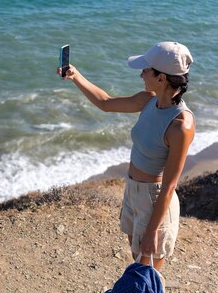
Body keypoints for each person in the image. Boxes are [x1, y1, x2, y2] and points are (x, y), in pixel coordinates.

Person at [59, 42, 195, 271]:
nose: (141, 74)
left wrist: (153, 229)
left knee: (147, 272)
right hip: (133, 190)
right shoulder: (148, 100)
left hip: (155, 200)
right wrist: (76, 76)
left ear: (162, 78)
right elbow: (105, 103)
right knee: (138, 261)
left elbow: (170, 186)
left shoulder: (181, 125)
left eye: (146, 70)